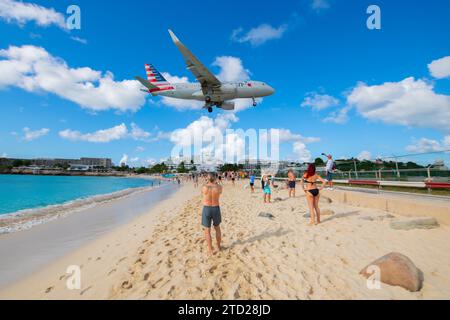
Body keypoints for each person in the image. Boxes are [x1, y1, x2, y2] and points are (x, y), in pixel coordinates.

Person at [201, 173, 223, 256]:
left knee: (207, 231)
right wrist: (216, 182)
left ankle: (210, 250)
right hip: (215, 208)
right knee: (217, 228)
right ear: (215, 178)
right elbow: (220, 191)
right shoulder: (219, 187)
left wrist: (207, 182)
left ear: (207, 178)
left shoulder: (204, 187)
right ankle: (218, 246)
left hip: (207, 208)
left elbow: (202, 191)